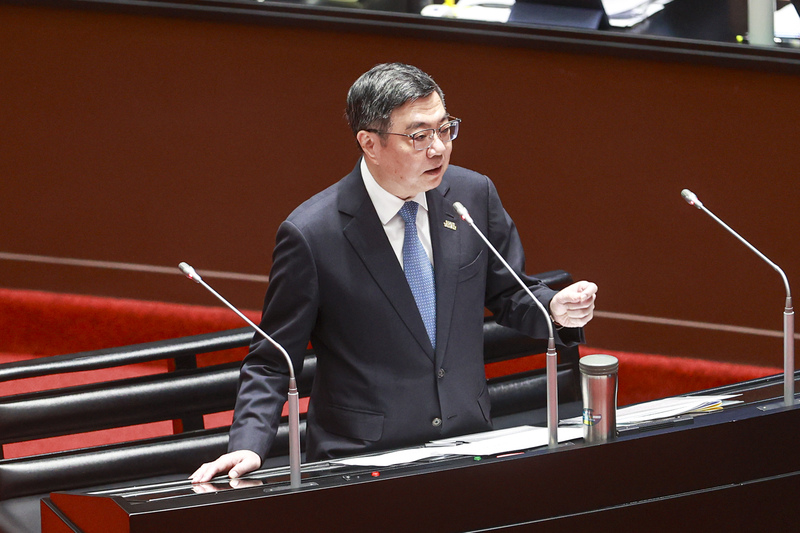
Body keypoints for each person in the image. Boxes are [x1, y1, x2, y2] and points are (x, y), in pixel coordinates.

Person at [191, 63, 597, 483]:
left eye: (445, 129)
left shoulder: (473, 196)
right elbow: (274, 359)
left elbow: (511, 292)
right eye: (419, 136)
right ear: (370, 142)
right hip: (362, 462)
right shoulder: (313, 234)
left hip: (468, 445)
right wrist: (248, 443)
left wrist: (554, 307)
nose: (438, 148)